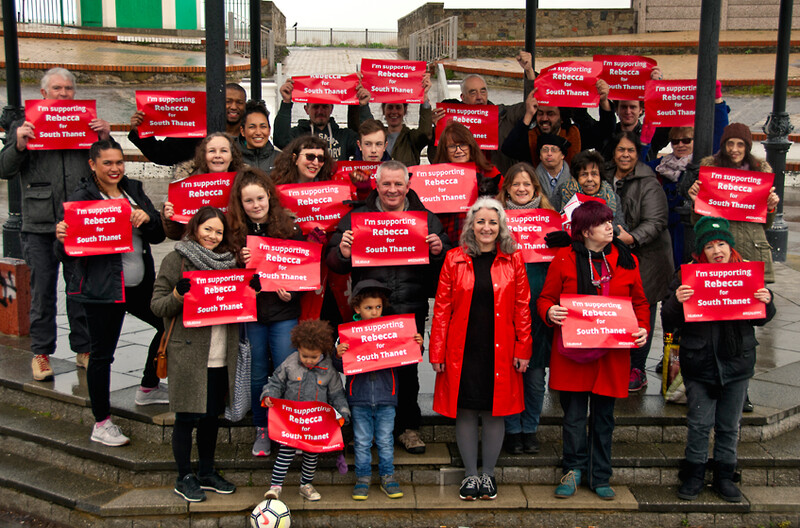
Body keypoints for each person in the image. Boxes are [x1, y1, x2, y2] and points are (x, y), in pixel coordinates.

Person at [326, 160, 451, 455]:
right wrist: (342, 252)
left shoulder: (427, 219)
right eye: (386, 184)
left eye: (398, 184)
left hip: (410, 306)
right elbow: (333, 259)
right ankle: (363, 430)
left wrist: (439, 251)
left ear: (408, 186)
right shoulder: (357, 218)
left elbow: (447, 262)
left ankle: (408, 428)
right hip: (369, 307)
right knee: (365, 369)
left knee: (407, 371)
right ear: (376, 185)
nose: (392, 190)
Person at [54, 139, 166, 446]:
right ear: (93, 165)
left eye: (119, 162)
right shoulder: (82, 197)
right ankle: (101, 422)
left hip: (140, 285)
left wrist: (148, 219)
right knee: (102, 355)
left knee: (167, 324)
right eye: (107, 163)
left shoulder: (134, 189)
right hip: (104, 290)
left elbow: (158, 235)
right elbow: (66, 253)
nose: (115, 168)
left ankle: (148, 386)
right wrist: (62, 238)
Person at [0, 67, 110, 380]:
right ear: (44, 94)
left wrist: (104, 137)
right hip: (39, 223)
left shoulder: (86, 123)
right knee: (42, 291)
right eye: (57, 89)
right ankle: (41, 353)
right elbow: (4, 169)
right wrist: (19, 144)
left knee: (79, 289)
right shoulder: (25, 125)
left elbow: (108, 164)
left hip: (79, 220)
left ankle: (84, 348)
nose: (63, 95)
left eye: (68, 89)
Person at [537, 201, 649, 500]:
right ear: (585, 230)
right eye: (603, 223)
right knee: (573, 418)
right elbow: (545, 298)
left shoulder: (626, 260)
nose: (610, 227)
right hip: (574, 355)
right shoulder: (563, 259)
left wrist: (643, 328)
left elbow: (639, 302)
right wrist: (550, 312)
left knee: (604, 419)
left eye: (610, 221)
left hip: (611, 356)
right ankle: (572, 471)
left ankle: (600, 474)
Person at [661, 216, 775, 502]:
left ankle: (725, 476)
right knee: (699, 423)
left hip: (737, 362)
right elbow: (668, 320)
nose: (717, 250)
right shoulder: (686, 276)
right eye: (710, 246)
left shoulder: (745, 273)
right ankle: (694, 474)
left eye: (721, 243)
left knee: (729, 424)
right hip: (699, 362)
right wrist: (677, 300)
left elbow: (762, 319)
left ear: (730, 246)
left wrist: (767, 301)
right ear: (702, 251)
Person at [430, 197, 532, 500]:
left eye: (492, 221)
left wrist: (523, 349)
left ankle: (488, 475)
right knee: (465, 408)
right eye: (480, 221)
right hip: (463, 347)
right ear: (471, 225)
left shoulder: (514, 259)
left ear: (500, 225)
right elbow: (441, 309)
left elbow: (522, 308)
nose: (486, 227)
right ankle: (470, 475)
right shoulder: (454, 259)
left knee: (494, 410)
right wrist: (437, 352)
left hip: (500, 348)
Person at [150, 206, 240, 503]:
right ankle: (183, 475)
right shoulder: (176, 259)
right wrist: (177, 294)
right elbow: (158, 306)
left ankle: (205, 471)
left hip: (220, 354)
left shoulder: (231, 263)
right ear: (195, 227)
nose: (213, 236)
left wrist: (249, 290)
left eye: (218, 231)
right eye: (207, 229)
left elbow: (240, 305)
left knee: (211, 417)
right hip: (188, 354)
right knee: (186, 416)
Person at [227, 167, 304, 457]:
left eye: (260, 198)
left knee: (288, 370)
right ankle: (262, 427)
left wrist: (292, 289)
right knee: (258, 371)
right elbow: (225, 279)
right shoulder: (234, 235)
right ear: (241, 204)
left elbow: (303, 271)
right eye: (249, 201)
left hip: (284, 311)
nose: (256, 205)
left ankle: (288, 427)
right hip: (252, 315)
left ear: (270, 196)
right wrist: (238, 261)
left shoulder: (290, 229)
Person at [333, 280, 423, 500]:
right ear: (357, 309)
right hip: (359, 399)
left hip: (386, 397)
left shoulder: (392, 331)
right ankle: (362, 479)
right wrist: (338, 354)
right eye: (368, 308)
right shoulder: (347, 334)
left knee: (385, 439)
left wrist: (417, 344)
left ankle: (387, 477)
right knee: (362, 441)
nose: (374, 312)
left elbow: (406, 356)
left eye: (378, 307)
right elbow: (338, 367)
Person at [605, 131, 673, 392]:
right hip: (614, 254)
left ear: (638, 153)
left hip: (647, 257)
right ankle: (618, 363)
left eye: (630, 151)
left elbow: (656, 221)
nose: (625, 155)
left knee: (641, 312)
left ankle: (638, 367)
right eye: (621, 150)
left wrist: (632, 237)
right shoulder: (605, 175)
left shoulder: (648, 181)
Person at [496, 164, 555, 455]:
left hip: (538, 309)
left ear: (536, 189)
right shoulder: (495, 219)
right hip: (504, 309)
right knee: (507, 374)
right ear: (506, 188)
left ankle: (529, 427)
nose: (521, 189)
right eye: (515, 184)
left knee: (533, 376)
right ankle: (510, 429)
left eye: (527, 185)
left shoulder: (551, 221)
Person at [262, 320, 351, 502]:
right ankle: (275, 486)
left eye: (314, 357)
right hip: (291, 420)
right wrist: (269, 396)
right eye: (304, 356)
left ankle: (306, 484)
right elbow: (275, 383)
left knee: (312, 455)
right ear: (298, 348)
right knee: (285, 451)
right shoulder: (289, 363)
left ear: (323, 352)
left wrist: (343, 413)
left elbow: (337, 394)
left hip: (316, 423)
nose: (309, 361)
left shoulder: (329, 370)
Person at [687, 123, 780, 284]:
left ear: (747, 147)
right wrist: (697, 204)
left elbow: (765, 225)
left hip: (753, 250)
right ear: (723, 146)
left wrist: (770, 208)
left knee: (754, 305)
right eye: (730, 143)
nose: (734, 149)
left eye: (740, 144)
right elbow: (698, 224)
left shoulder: (760, 175)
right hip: (721, 255)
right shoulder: (711, 176)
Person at [431, 53, 535, 174]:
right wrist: (435, 129)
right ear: (463, 98)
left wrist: (529, 72)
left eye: (483, 91)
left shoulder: (503, 114)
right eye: (473, 93)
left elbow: (530, 105)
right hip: (463, 181)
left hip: (498, 180)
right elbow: (434, 159)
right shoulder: (452, 122)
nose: (479, 97)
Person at [128, 83, 248, 166]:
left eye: (239, 102)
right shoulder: (196, 132)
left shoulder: (251, 135)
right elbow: (163, 154)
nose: (233, 107)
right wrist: (140, 131)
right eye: (228, 101)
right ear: (217, 103)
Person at [161, 132, 245, 240]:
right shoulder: (185, 186)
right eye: (212, 151)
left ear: (232, 156)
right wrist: (169, 218)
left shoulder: (244, 184)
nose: (217, 155)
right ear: (204, 155)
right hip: (196, 248)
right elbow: (175, 234)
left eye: (224, 151)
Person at [433, 121, 503, 244]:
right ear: (444, 150)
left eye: (463, 145)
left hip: (484, 243)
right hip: (447, 243)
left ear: (471, 146)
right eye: (452, 146)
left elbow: (506, 201)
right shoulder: (434, 177)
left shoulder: (489, 172)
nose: (459, 150)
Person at [273, 76, 372, 161]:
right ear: (306, 109)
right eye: (315, 107)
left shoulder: (344, 136)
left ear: (331, 109)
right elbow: (280, 140)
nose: (320, 111)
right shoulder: (297, 135)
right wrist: (286, 103)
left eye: (324, 106)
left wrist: (363, 106)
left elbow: (370, 141)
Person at [649, 126, 695, 267]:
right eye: (675, 141)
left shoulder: (701, 166)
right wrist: (645, 145)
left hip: (690, 231)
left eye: (686, 140)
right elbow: (637, 167)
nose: (680, 145)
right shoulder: (660, 165)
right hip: (666, 231)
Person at [500, 89, 581, 168]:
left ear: (562, 118)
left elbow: (590, 127)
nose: (544, 118)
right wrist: (529, 114)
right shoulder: (530, 137)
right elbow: (508, 149)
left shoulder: (573, 134)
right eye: (540, 113)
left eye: (550, 114)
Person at [556, 150, 627, 235]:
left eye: (594, 174)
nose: (589, 179)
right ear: (576, 178)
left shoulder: (612, 197)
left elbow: (621, 228)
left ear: (600, 176)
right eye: (584, 174)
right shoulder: (563, 193)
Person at [380, 72, 433, 167]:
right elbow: (360, 127)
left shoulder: (411, 137)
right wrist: (362, 103)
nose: (394, 111)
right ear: (383, 110)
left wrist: (424, 98)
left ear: (405, 110)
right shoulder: (377, 135)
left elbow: (425, 133)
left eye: (398, 107)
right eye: (390, 107)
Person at [269, 135, 334, 186]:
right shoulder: (278, 188)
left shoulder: (331, 187)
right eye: (310, 157)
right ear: (295, 158)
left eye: (321, 158)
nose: (316, 163)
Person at [238, 100, 279, 174]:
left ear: (269, 130)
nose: (258, 132)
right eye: (252, 127)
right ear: (242, 131)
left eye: (263, 127)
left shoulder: (281, 159)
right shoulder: (233, 160)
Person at [533, 134, 572, 205]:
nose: (549, 153)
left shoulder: (574, 178)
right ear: (540, 156)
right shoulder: (532, 180)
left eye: (554, 150)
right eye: (545, 150)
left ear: (563, 155)